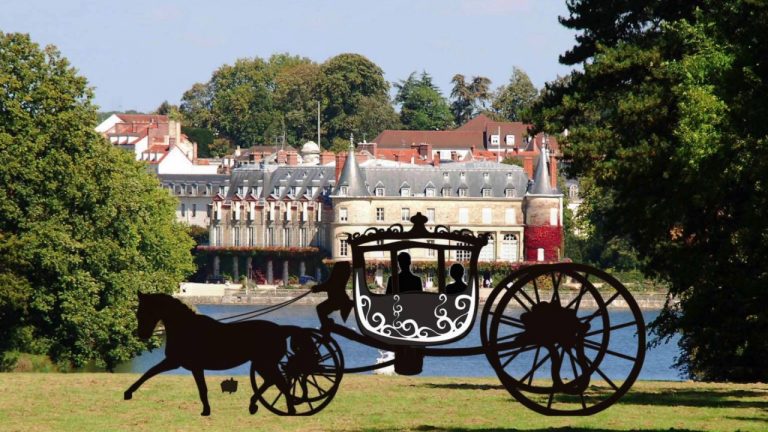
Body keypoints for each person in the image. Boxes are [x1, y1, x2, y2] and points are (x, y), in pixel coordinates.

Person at [312, 262, 353, 330]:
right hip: (339, 299)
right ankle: (326, 324)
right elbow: (330, 285)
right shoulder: (341, 277)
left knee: (320, 309)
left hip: (336, 300)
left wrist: (317, 288)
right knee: (320, 309)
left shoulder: (336, 279)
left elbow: (330, 285)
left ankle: (326, 326)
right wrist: (318, 288)